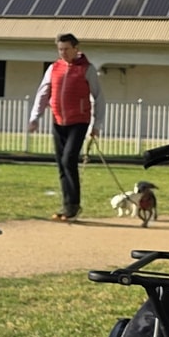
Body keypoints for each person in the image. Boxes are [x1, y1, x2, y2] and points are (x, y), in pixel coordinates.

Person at [28, 32, 106, 221]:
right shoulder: (54, 68)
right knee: (62, 164)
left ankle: (74, 205)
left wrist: (97, 124)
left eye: (66, 49)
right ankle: (67, 206)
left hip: (79, 121)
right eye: (60, 49)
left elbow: (99, 97)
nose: (62, 53)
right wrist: (35, 117)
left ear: (76, 49)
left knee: (68, 160)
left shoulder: (86, 69)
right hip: (58, 121)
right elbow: (43, 93)